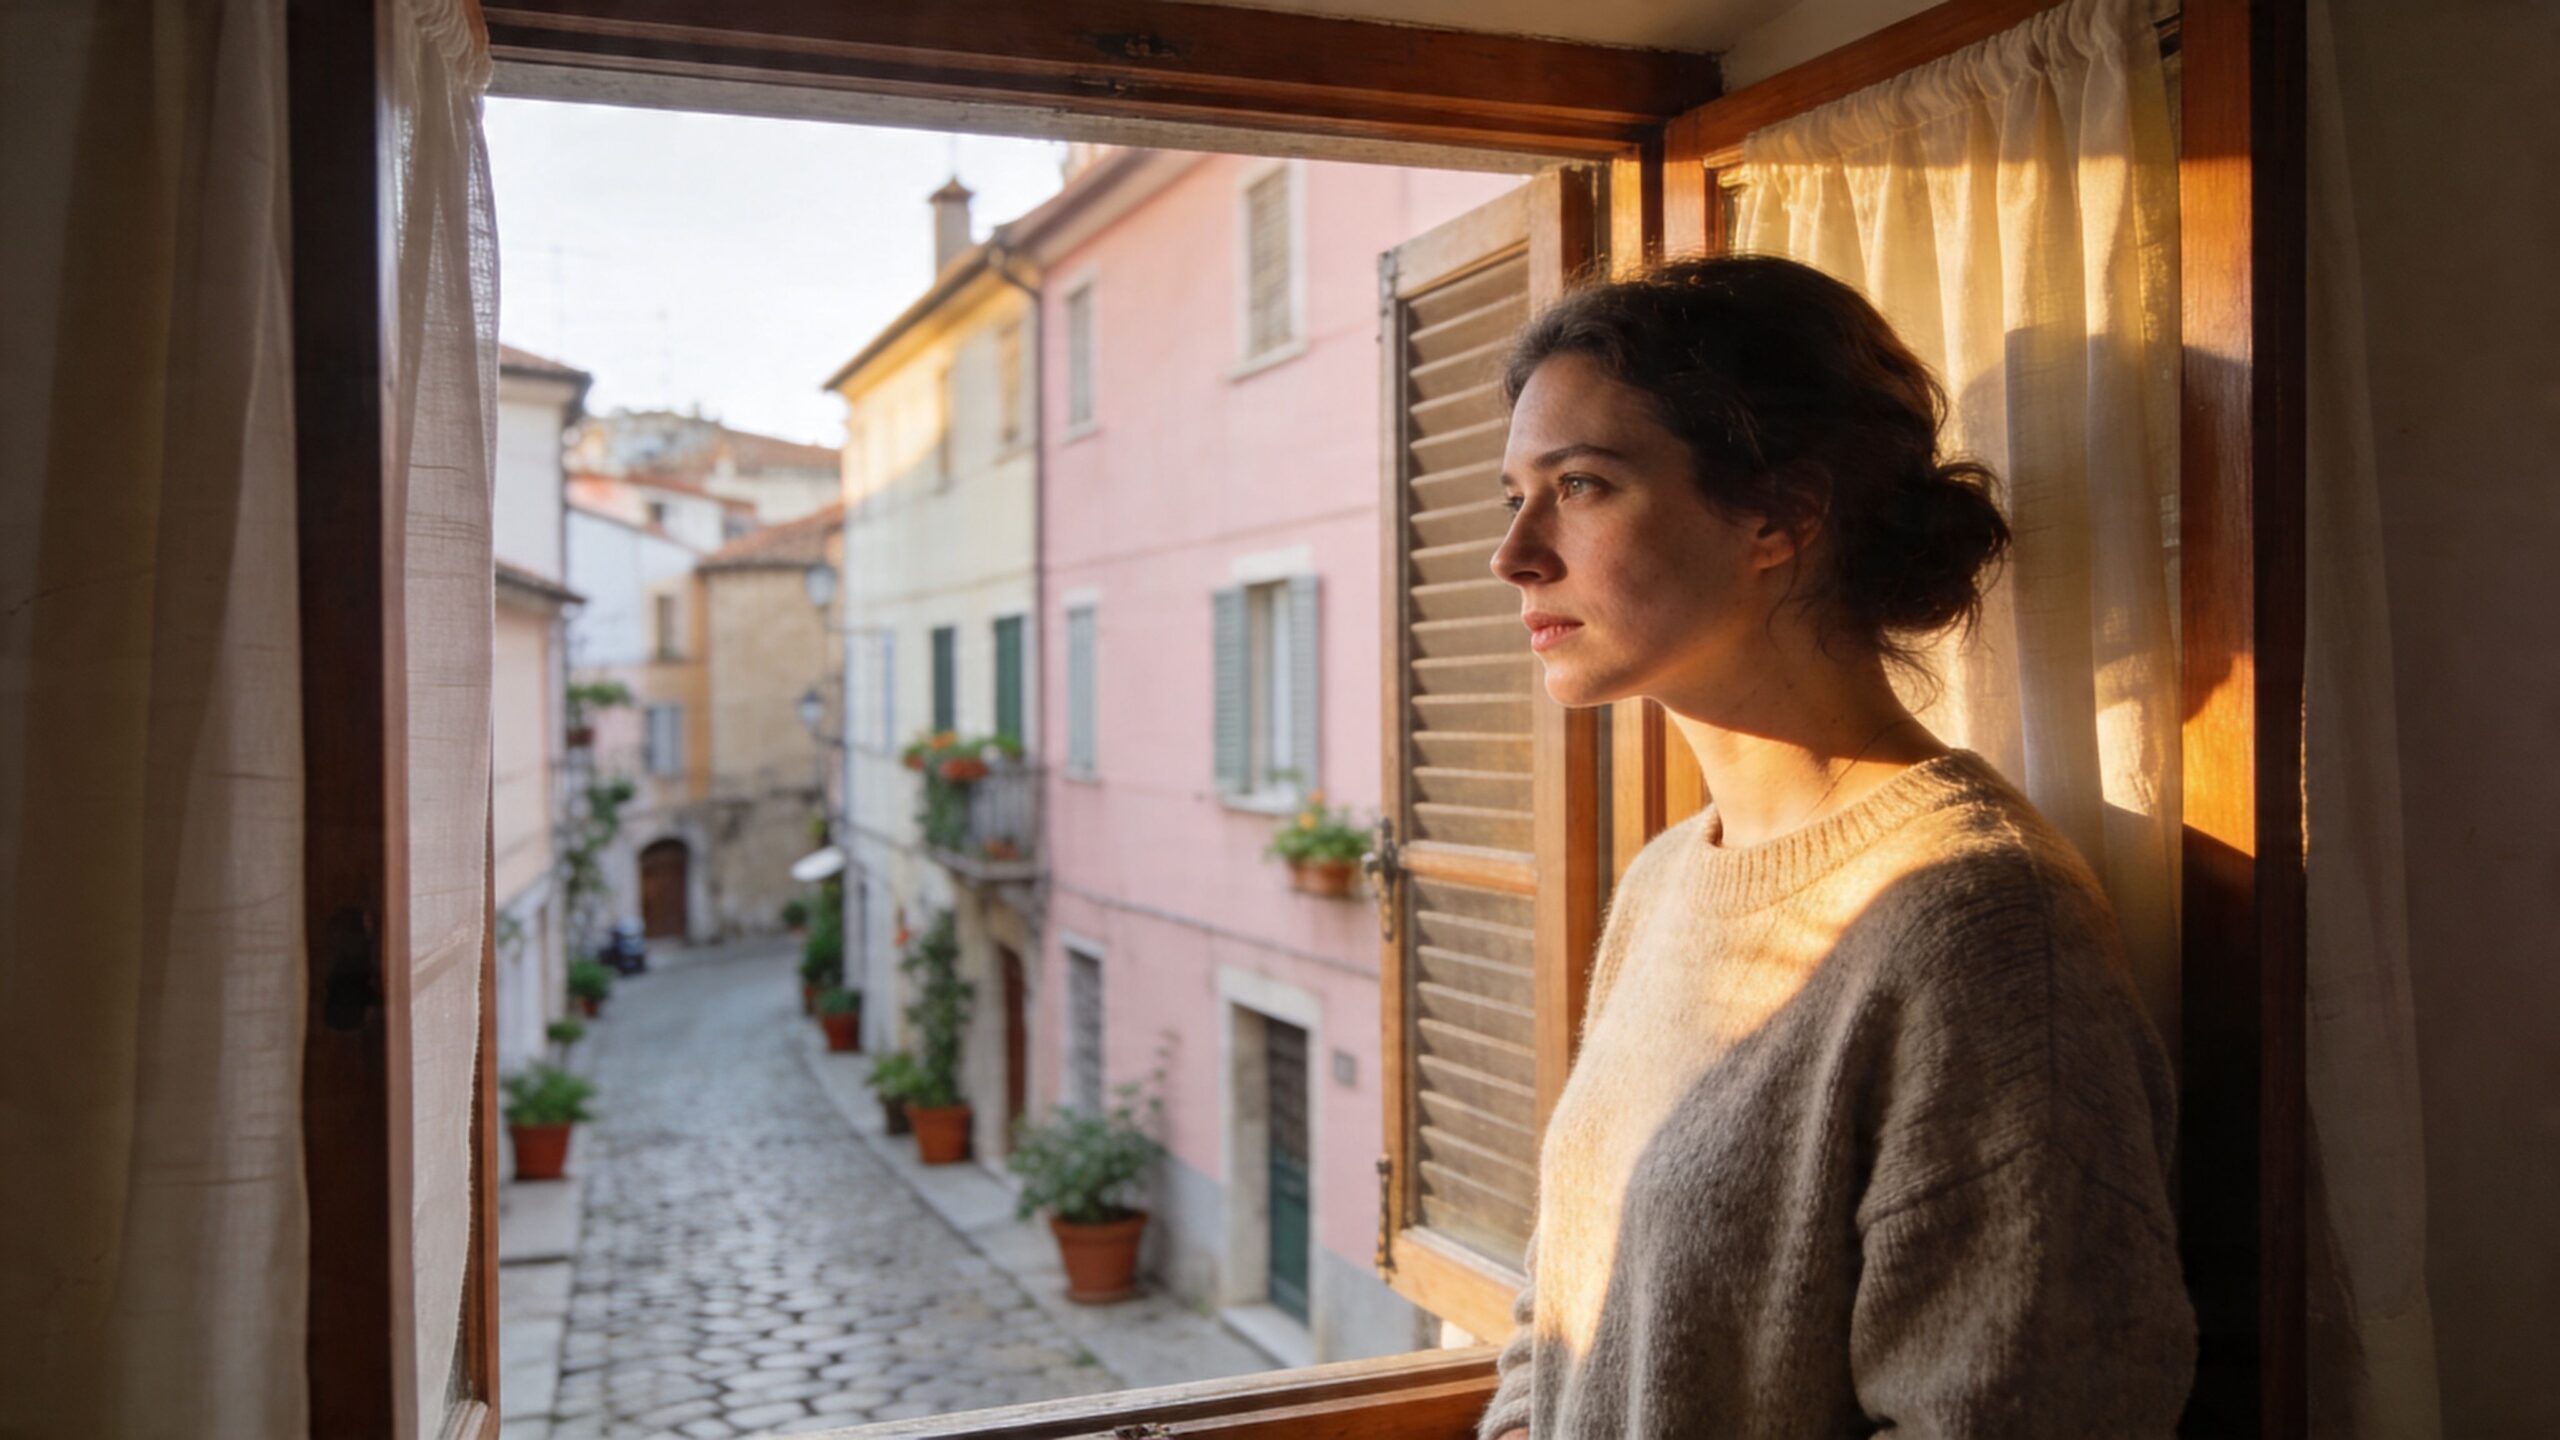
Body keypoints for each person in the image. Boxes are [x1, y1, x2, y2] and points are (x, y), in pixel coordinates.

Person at [1478, 255, 2194, 1438]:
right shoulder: (1667, 881)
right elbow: (1553, 1316)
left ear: (1782, 516)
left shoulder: (1978, 924)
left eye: (1582, 486)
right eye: (1515, 494)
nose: (1515, 555)